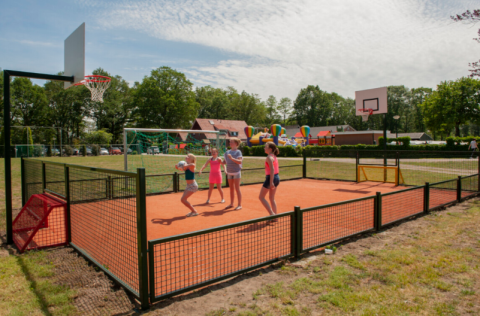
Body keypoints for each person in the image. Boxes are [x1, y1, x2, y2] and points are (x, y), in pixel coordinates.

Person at [259, 142, 280, 221]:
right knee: (272, 198)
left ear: (270, 149)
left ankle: (272, 214)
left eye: (266, 147)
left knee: (261, 197)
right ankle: (275, 217)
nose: (264, 148)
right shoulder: (274, 156)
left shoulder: (269, 157)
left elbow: (272, 169)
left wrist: (271, 182)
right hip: (277, 177)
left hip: (271, 178)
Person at [222, 138, 243, 210]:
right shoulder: (227, 152)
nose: (230, 143)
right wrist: (220, 161)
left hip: (236, 172)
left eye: (231, 142)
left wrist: (232, 158)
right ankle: (231, 204)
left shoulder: (238, 152)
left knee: (237, 189)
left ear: (236, 144)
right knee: (231, 189)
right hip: (229, 172)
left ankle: (239, 205)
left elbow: (239, 162)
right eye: (230, 142)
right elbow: (224, 162)